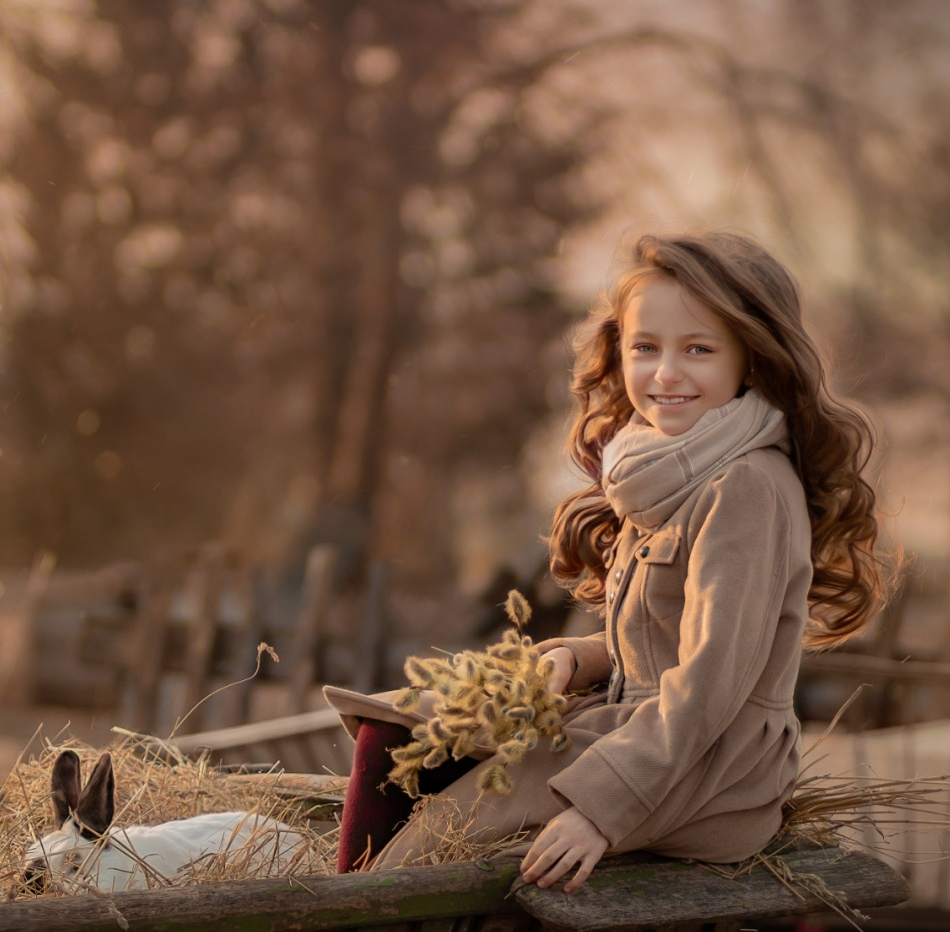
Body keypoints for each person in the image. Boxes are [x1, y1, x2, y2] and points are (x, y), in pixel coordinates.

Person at [324, 232, 885, 892]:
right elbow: (663, 637)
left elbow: (709, 683)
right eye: (645, 348)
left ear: (751, 362)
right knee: (409, 733)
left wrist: (602, 812)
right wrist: (581, 658)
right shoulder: (673, 469)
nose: (666, 374)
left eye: (698, 351)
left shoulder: (747, 489)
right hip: (644, 734)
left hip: (704, 768)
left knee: (422, 851)